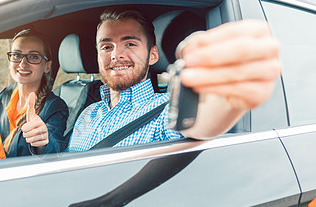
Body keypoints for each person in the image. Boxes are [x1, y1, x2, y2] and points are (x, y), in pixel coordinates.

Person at [67, 9, 280, 152]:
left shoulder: (167, 110)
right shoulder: (87, 113)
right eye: (106, 47)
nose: (115, 55)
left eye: (130, 44)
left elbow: (200, 123)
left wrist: (224, 92)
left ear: (153, 55)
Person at [0, 29, 69, 159]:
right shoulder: (6, 95)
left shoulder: (55, 107)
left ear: (47, 66)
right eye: (17, 55)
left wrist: (42, 142)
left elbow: (53, 148)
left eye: (33, 57)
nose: (23, 63)